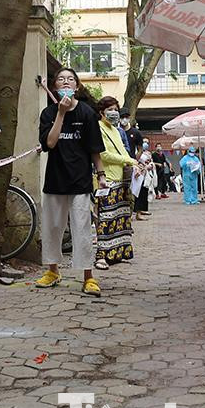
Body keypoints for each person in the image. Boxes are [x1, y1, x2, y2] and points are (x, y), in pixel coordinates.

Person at [34, 69, 106, 296]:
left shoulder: (87, 113)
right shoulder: (48, 113)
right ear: (55, 87)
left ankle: (88, 276)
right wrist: (61, 114)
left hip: (80, 181)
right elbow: (51, 143)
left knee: (82, 229)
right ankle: (53, 271)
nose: (66, 82)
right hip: (55, 180)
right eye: (61, 79)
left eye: (70, 79)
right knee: (53, 228)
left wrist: (101, 175)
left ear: (77, 86)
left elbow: (95, 149)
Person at [97, 97, 139, 269]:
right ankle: (101, 255)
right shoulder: (98, 128)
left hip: (121, 179)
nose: (114, 113)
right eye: (110, 109)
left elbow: (123, 150)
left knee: (121, 218)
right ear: (102, 112)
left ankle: (117, 253)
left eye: (115, 109)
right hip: (107, 179)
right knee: (106, 218)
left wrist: (133, 163)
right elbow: (103, 154)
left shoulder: (116, 130)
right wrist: (128, 160)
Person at [134, 139, 156, 220]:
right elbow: (136, 161)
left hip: (146, 174)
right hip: (139, 173)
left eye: (147, 142)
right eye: (144, 142)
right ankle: (138, 213)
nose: (145, 144)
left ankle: (143, 209)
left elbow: (150, 161)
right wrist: (145, 166)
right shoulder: (137, 151)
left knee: (144, 192)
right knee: (139, 193)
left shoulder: (148, 153)